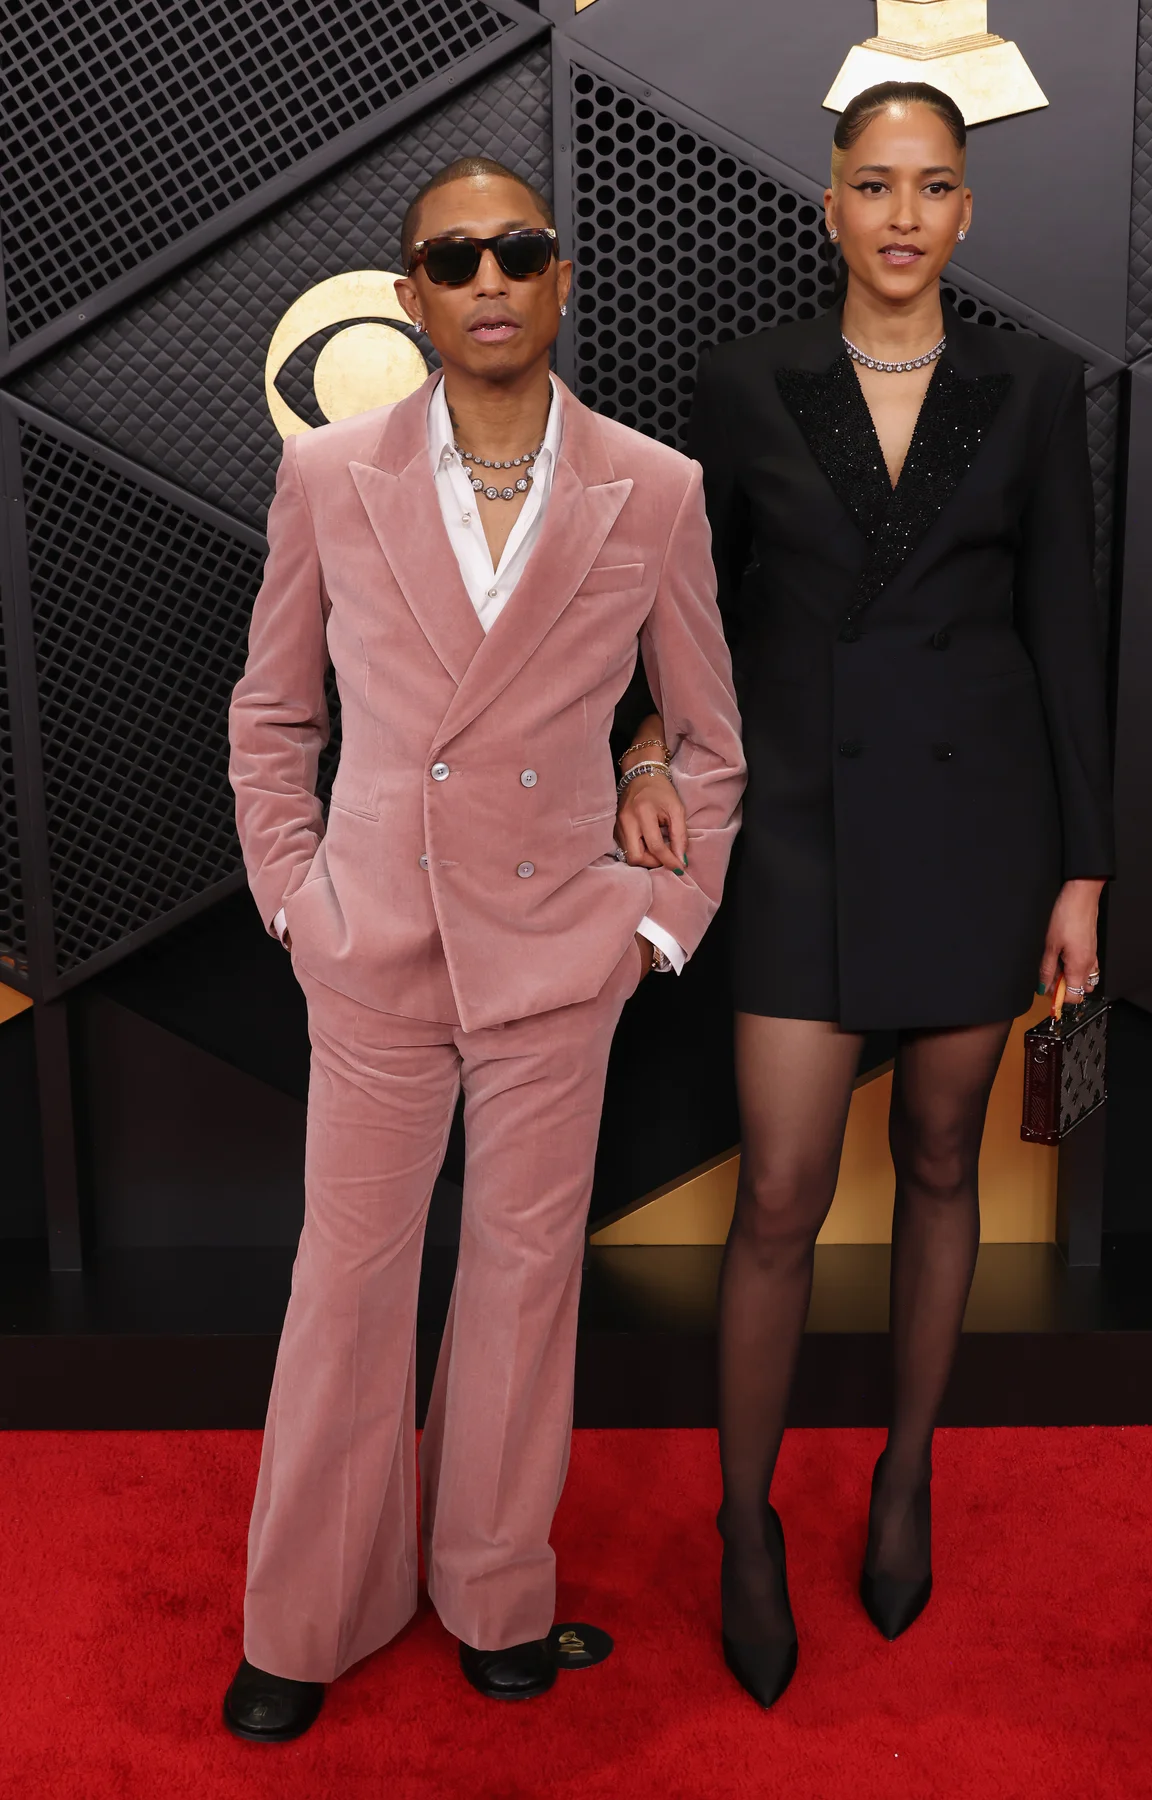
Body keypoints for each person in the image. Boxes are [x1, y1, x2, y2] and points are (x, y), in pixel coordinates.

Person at [224, 156, 744, 1741]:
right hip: (372, 947)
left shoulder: (654, 486)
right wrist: (297, 898)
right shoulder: (331, 476)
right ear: (413, 298)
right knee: (346, 1289)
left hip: (555, 958)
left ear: (561, 275)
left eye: (519, 249)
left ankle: (497, 1592)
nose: (491, 278)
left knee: (524, 1288)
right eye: (456, 260)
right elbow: (272, 714)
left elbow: (708, 740)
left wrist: (655, 924)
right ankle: (308, 1614)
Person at [616, 84, 1114, 1706]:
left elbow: (1064, 629)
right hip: (802, 823)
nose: (904, 215)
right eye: (877, 184)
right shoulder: (744, 380)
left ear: (967, 210)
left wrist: (1084, 870)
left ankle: (905, 1475)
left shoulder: (1032, 385)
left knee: (945, 1159)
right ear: (828, 202)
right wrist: (646, 745)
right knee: (778, 1192)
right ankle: (744, 1523)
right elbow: (687, 601)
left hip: (981, 827)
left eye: (935, 185)